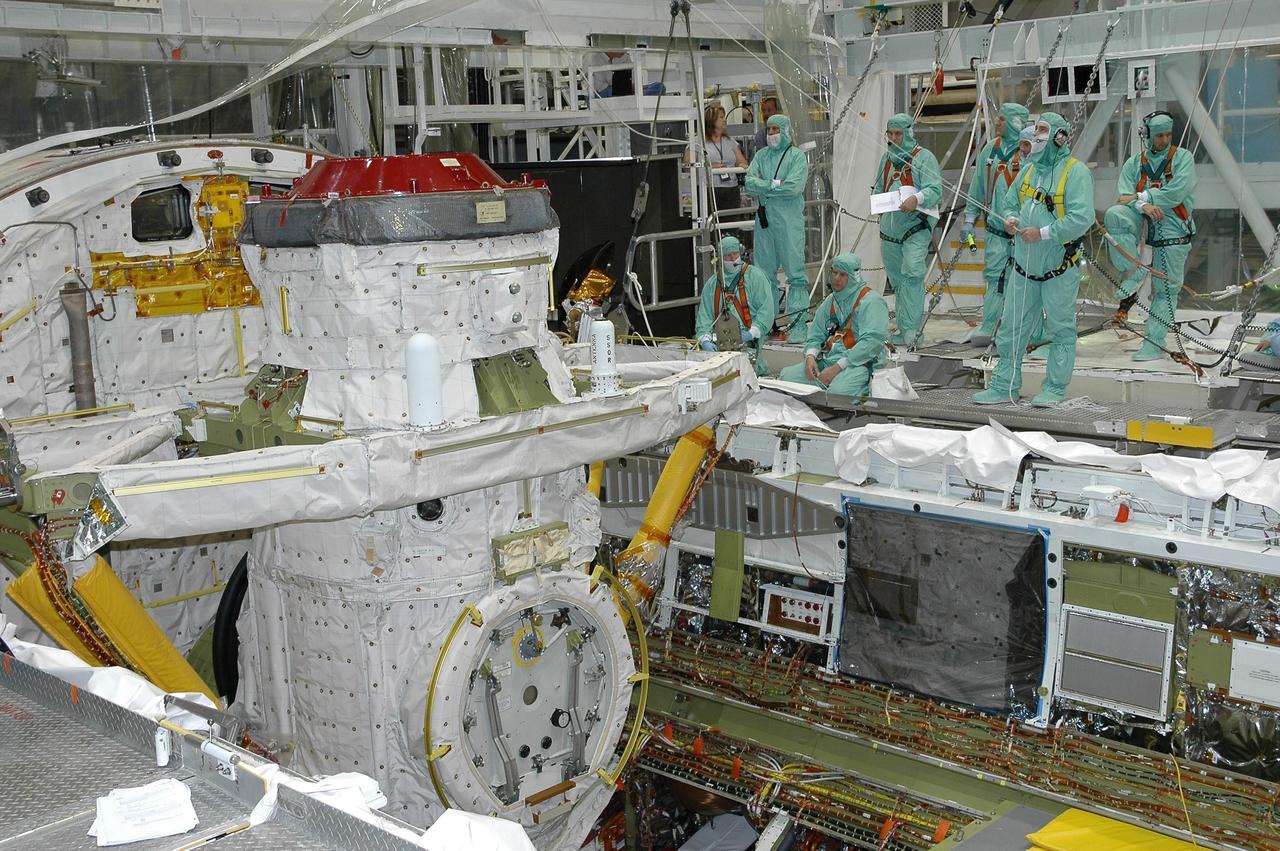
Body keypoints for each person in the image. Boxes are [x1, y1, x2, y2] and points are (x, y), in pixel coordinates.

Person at [974, 112, 1095, 407]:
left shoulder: (1075, 172)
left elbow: (1082, 217)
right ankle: (1005, 385)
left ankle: (1054, 388)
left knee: (1060, 328)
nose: (1034, 134)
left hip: (1057, 267)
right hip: (1024, 267)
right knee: (1012, 326)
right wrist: (1011, 218)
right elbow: (1010, 201)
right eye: (1035, 128)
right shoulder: (1029, 171)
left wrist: (1043, 233)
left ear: (1059, 136)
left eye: (1042, 129)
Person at [1104, 111, 1198, 361]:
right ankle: (1133, 270)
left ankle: (1154, 343)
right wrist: (1142, 206)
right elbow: (1122, 196)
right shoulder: (1135, 163)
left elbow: (1177, 191)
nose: (1164, 140)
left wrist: (1144, 197)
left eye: (1168, 134)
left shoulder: (1183, 158)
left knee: (1164, 289)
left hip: (1173, 225)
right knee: (1114, 215)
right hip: (1143, 216)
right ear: (1147, 135)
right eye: (1159, 135)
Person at [961, 102, 1030, 344]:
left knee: (1023, 281)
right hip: (996, 232)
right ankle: (990, 324)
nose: (996, 123)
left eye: (1001, 119)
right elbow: (978, 187)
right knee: (994, 278)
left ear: (1015, 122)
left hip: (1025, 233)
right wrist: (969, 220)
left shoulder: (1030, 153)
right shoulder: (990, 151)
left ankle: (1017, 328)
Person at [777, 253, 888, 396]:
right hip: (831, 360)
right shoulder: (831, 301)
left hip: (860, 363)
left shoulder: (871, 302)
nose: (836, 278)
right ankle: (827, 386)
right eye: (834, 272)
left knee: (838, 393)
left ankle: (864, 387)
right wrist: (810, 357)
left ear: (854, 277)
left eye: (843, 275)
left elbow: (871, 342)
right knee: (787, 377)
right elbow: (816, 335)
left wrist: (836, 368)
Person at [876, 113, 942, 347]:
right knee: (897, 280)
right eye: (890, 134)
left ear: (908, 132)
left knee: (912, 275)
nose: (894, 138)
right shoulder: (886, 159)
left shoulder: (924, 158)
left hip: (915, 227)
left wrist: (917, 198)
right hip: (889, 231)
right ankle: (904, 327)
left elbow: (935, 189)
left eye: (898, 134)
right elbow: (878, 186)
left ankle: (913, 329)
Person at [746, 114, 810, 343]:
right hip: (764, 223)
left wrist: (765, 188)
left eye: (776, 130)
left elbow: (794, 187)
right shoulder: (761, 156)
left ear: (786, 131)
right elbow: (749, 182)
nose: (772, 134)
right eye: (769, 130)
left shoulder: (796, 157)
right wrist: (774, 185)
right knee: (764, 276)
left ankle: (799, 324)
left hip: (788, 223)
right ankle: (765, 324)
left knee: (796, 275)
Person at [694, 235, 776, 376]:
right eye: (728, 256)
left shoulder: (755, 277)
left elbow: (766, 311)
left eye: (735, 254)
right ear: (720, 258)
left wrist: (752, 333)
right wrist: (705, 341)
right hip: (721, 347)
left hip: (750, 344)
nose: (733, 259)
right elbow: (704, 320)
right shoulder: (712, 285)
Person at [697, 105, 749, 215]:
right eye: (721, 117)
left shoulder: (730, 141)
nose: (724, 120)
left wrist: (742, 166)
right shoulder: (699, 142)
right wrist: (709, 167)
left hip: (731, 189)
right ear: (711, 120)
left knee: (731, 225)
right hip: (709, 190)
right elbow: (687, 166)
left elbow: (742, 162)